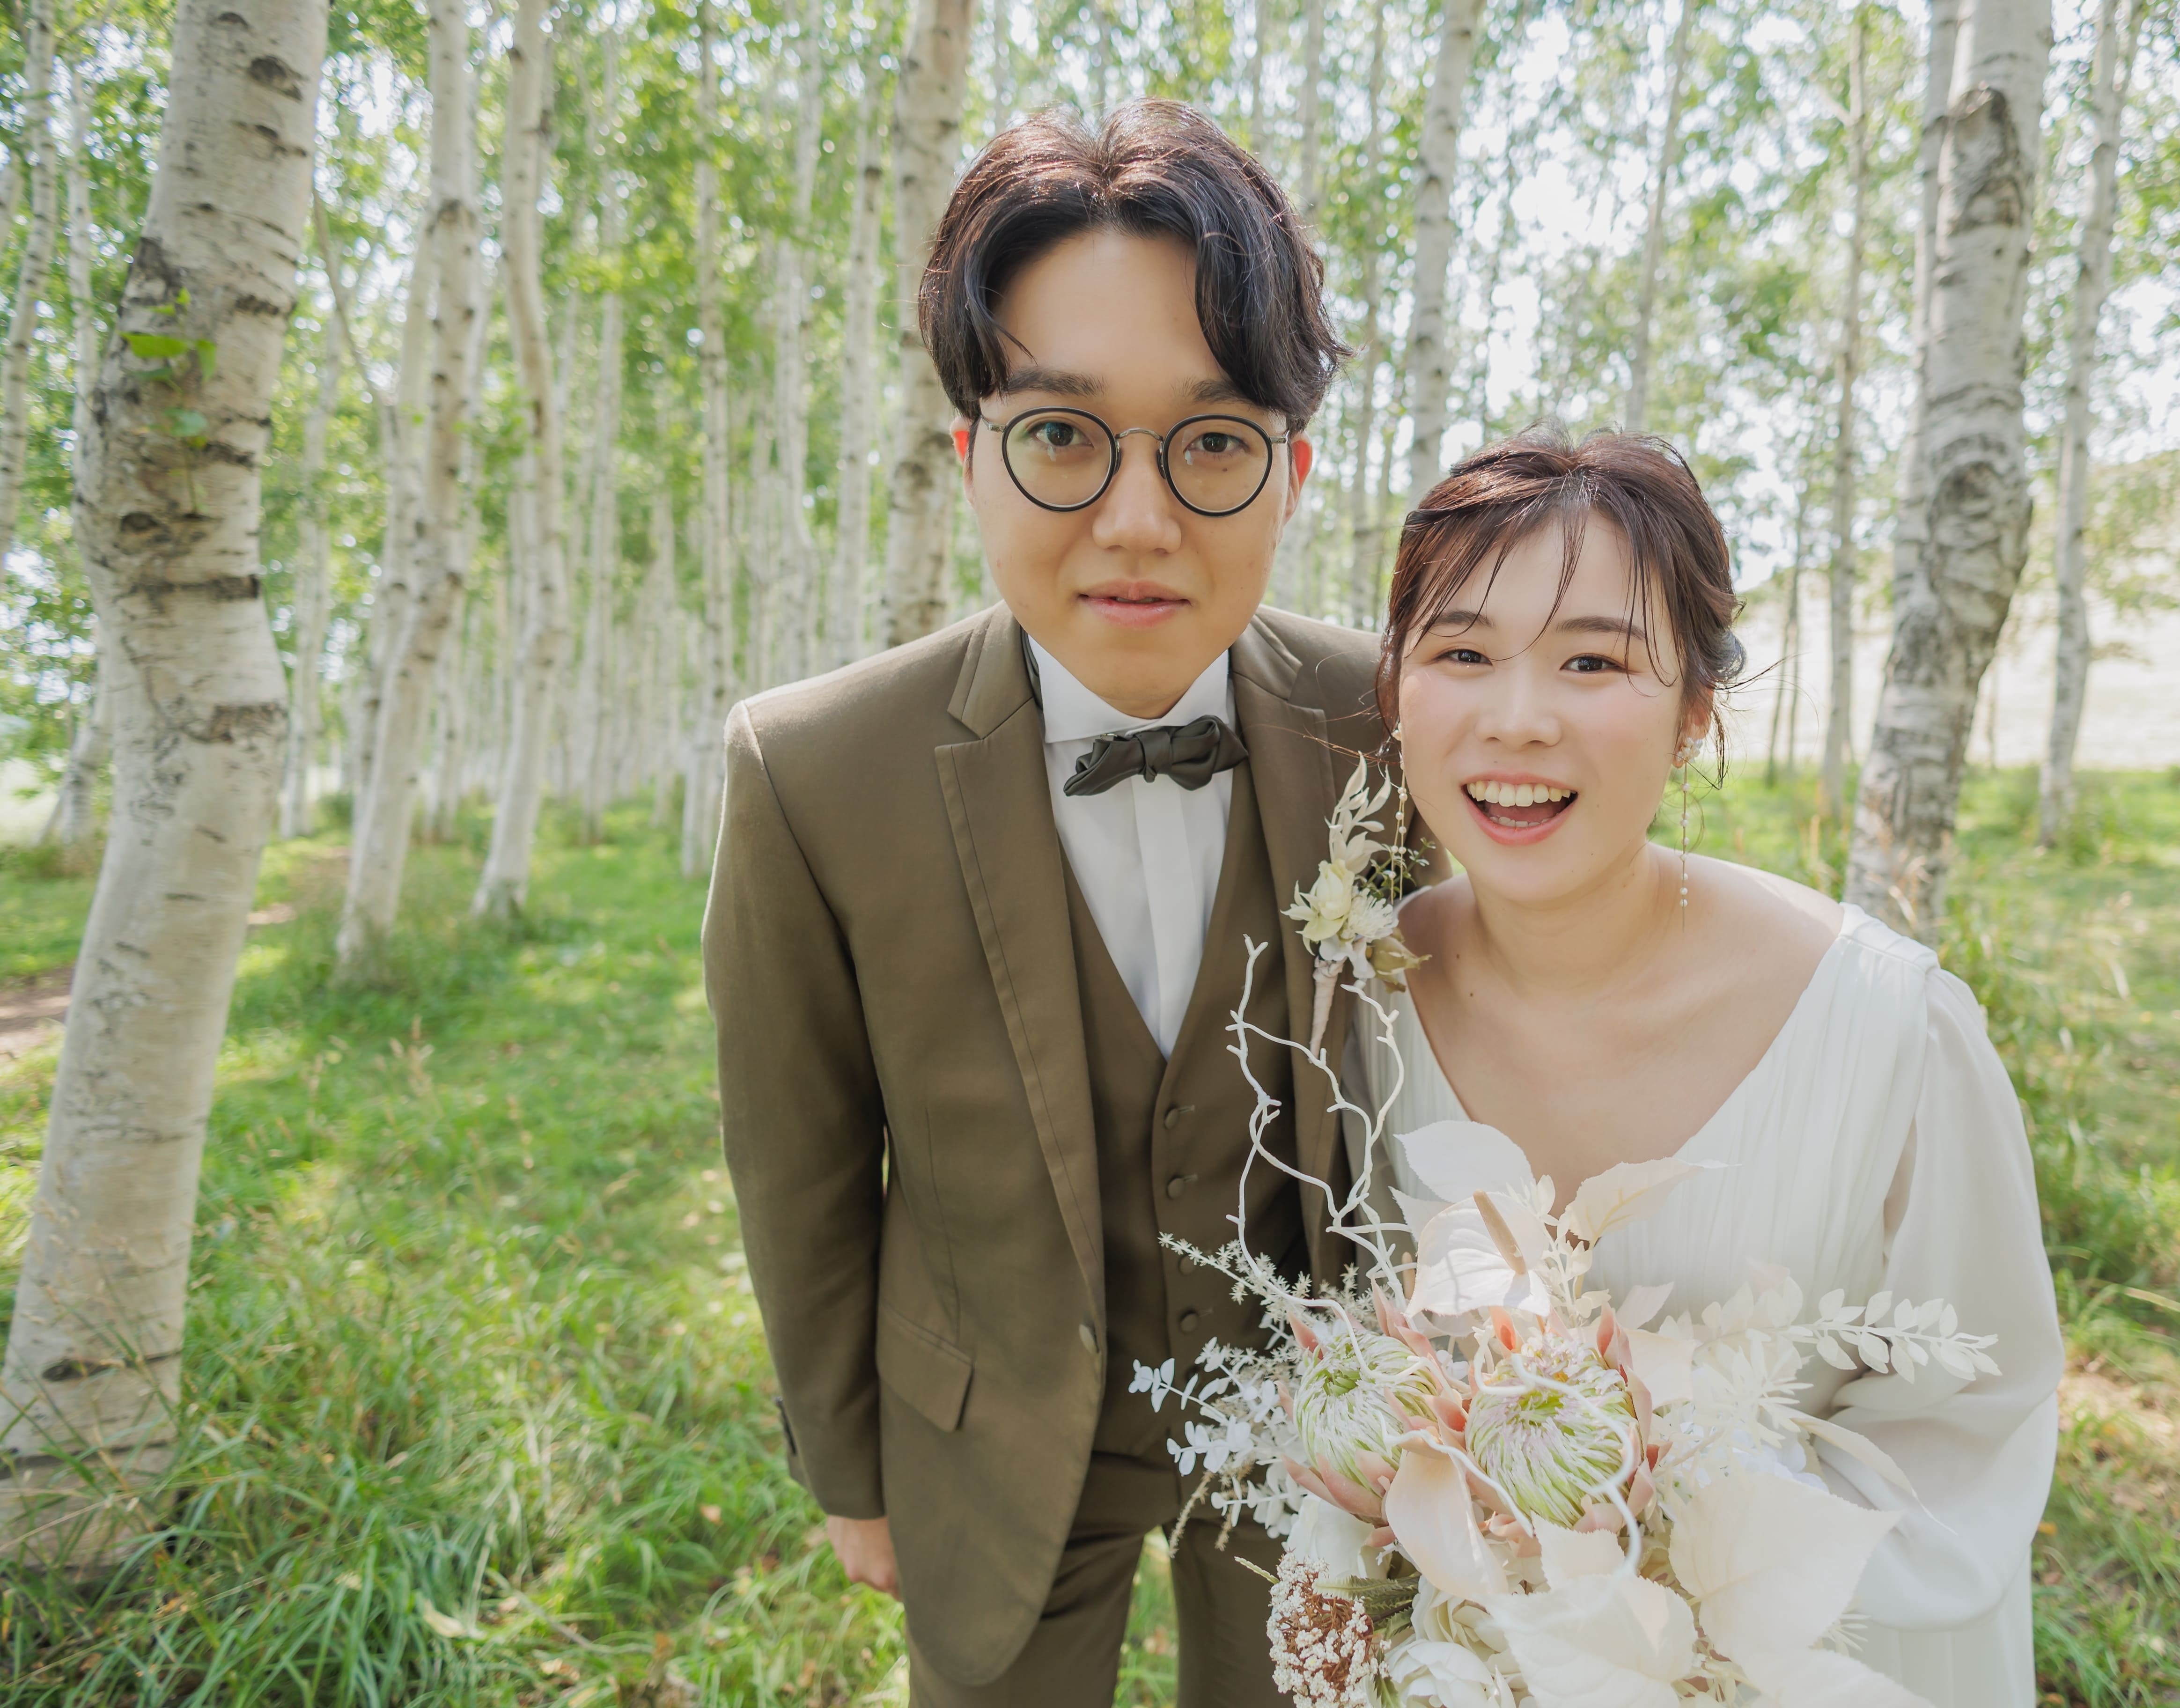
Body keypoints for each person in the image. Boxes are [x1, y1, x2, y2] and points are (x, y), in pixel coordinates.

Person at [702, 102, 1389, 1707]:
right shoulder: (814, 772)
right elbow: (799, 1166)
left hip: (1325, 1439)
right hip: (992, 1435)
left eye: (1211, 444)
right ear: (972, 458)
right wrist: (849, 1469)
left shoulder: (1396, 723)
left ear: (1291, 474)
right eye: (1063, 436)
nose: (1137, 522)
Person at [1345, 429, 2066, 1706]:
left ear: (1694, 712)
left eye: (1593, 661)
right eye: (1462, 653)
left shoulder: (1889, 1030)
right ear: (1398, 690)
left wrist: (1659, 1547)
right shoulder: (1353, 1000)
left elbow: (1974, 1419)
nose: (1519, 719)